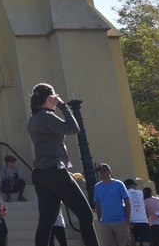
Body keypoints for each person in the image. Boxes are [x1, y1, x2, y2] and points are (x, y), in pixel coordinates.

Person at [25, 83, 97, 246]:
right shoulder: (47, 116)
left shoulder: (33, 120)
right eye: (54, 95)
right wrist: (63, 106)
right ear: (50, 97)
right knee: (86, 215)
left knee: (46, 221)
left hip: (40, 173)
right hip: (54, 171)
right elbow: (73, 128)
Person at [91, 163, 130, 246]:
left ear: (110, 171)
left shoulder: (119, 184)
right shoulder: (97, 187)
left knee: (124, 243)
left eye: (104, 171)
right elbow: (97, 203)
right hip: (105, 223)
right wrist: (99, 218)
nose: (102, 173)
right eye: (100, 171)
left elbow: (127, 200)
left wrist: (127, 218)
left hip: (120, 220)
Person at [124, 179, 149, 246]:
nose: (136, 187)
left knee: (136, 242)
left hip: (132, 222)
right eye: (135, 185)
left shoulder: (125, 194)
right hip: (144, 221)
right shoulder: (140, 192)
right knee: (145, 241)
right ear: (132, 185)